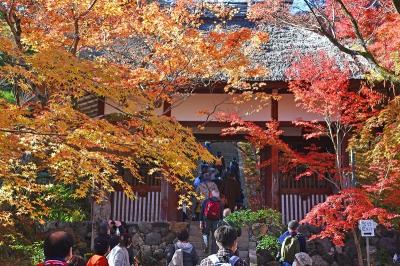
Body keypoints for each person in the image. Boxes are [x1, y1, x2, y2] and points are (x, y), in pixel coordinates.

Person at [200, 190, 224, 254]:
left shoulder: (206, 201)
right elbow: (221, 215)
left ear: (211, 194)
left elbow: (202, 212)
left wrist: (201, 222)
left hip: (206, 220)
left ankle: (206, 247)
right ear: (218, 196)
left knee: (205, 234)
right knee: (214, 236)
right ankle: (213, 251)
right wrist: (221, 223)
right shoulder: (220, 203)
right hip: (216, 221)